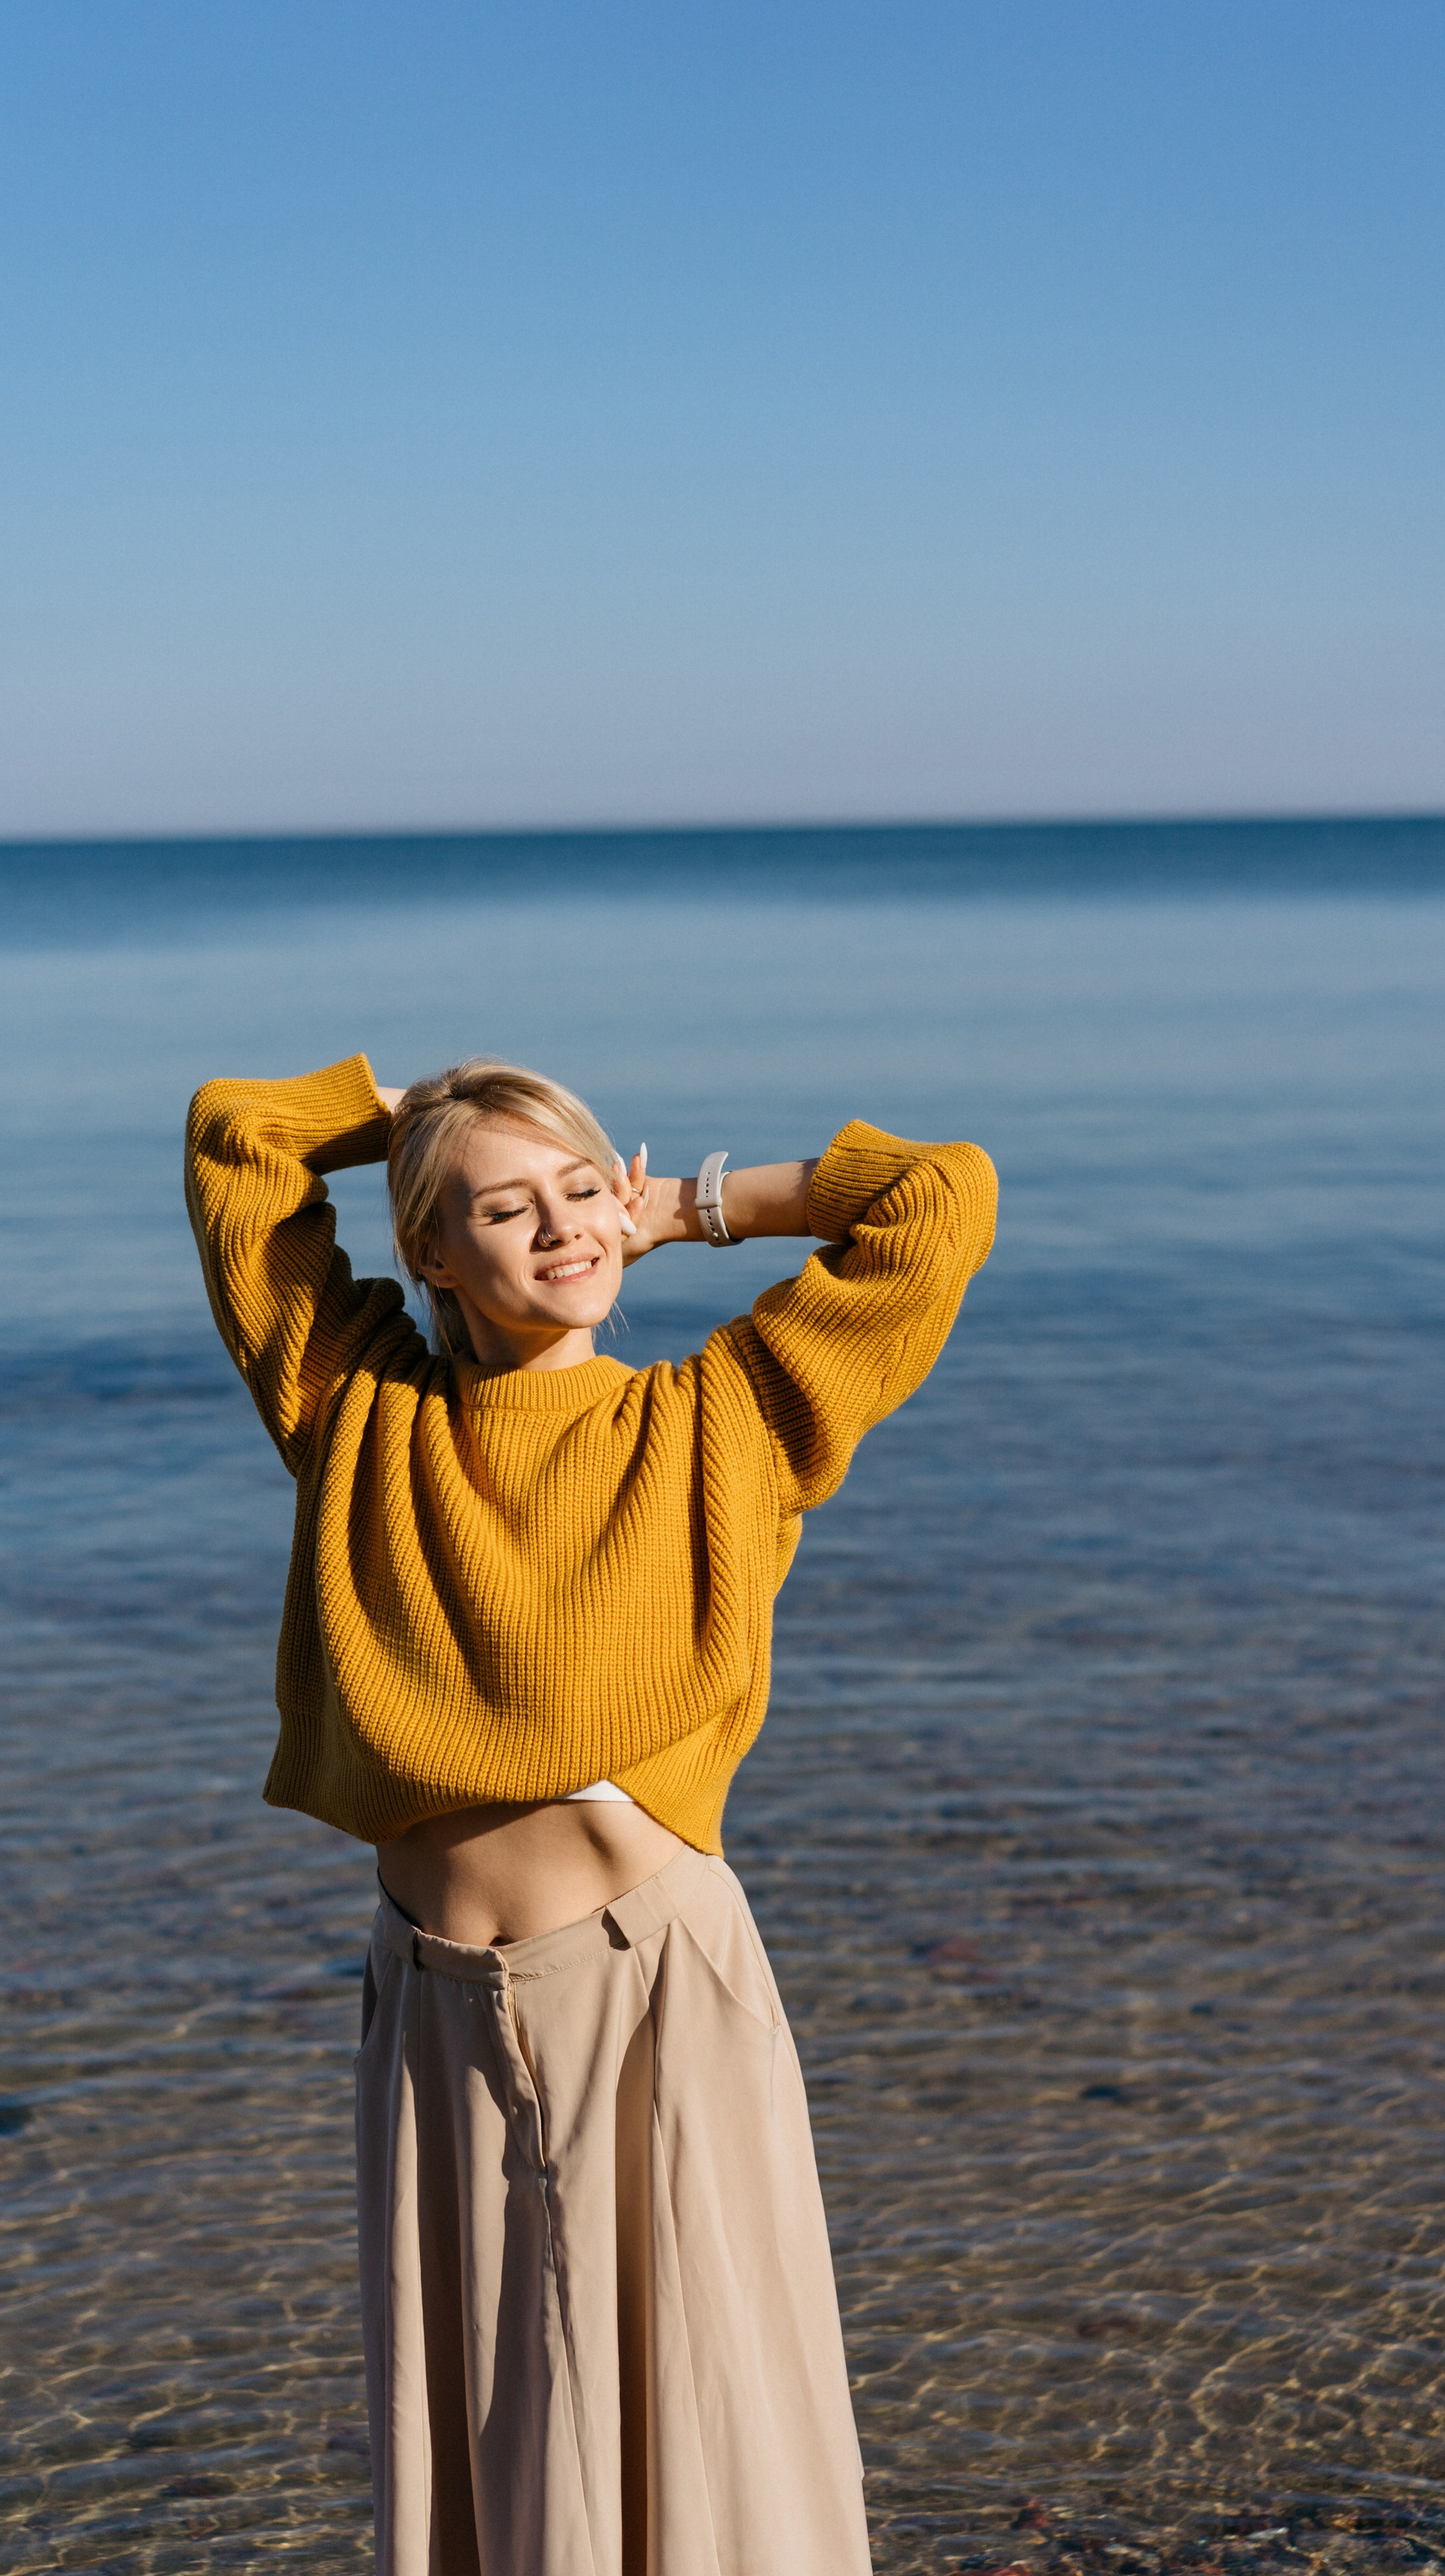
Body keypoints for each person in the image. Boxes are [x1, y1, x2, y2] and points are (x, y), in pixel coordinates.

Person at [184, 1051, 996, 2576]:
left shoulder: (724, 1421)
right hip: (428, 2008)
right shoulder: (354, 1409)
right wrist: (411, 1117)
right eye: (505, 1207)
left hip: (647, 1993)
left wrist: (689, 1210)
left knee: (704, 2448)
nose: (561, 1229)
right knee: (486, 2457)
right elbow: (238, 1136)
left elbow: (934, 1199)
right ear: (430, 1248)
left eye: (575, 1190)